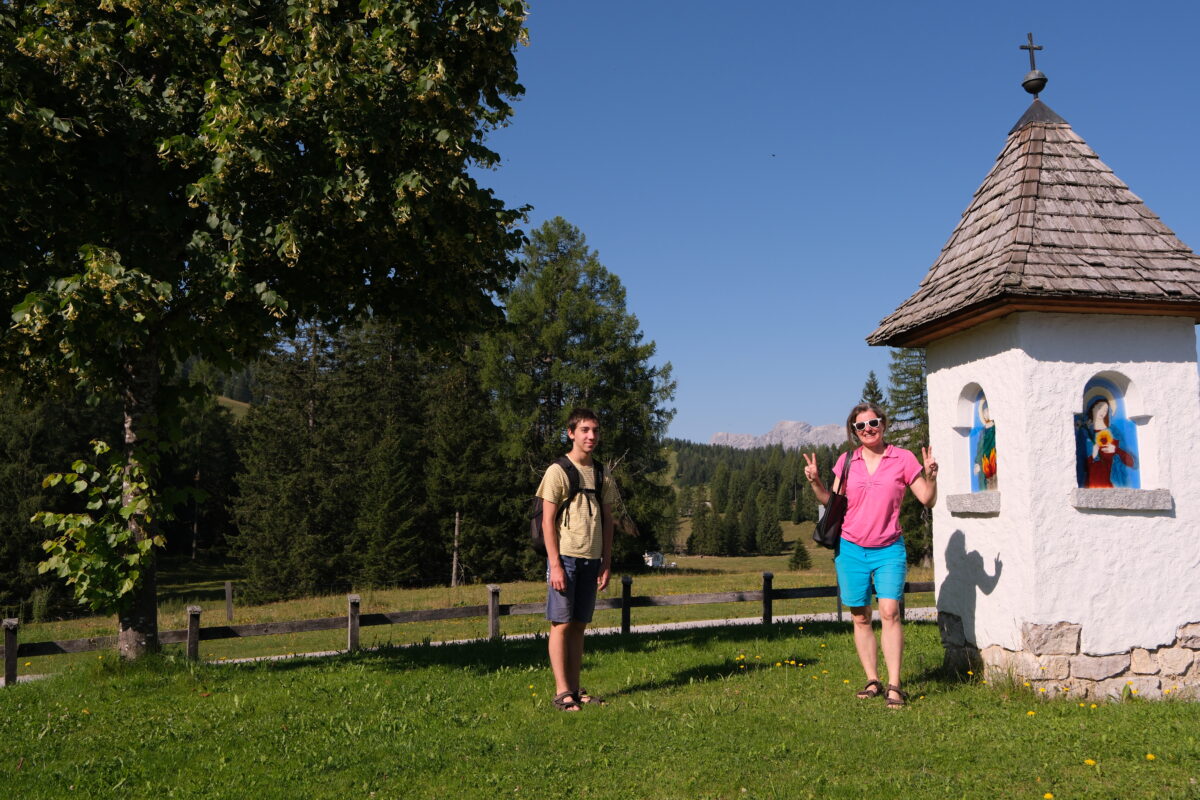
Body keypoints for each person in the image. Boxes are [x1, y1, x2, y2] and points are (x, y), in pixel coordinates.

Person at [802, 402, 937, 709]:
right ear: (854, 432)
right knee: (860, 616)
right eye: (860, 427)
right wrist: (815, 482)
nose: (867, 430)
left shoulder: (902, 458)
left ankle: (895, 685)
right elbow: (831, 502)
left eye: (872, 423)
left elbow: (927, 499)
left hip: (889, 547)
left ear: (883, 423)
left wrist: (931, 475)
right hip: (850, 548)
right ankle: (872, 680)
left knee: (890, 611)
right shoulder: (847, 460)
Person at [536, 407, 619, 711]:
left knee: (580, 624)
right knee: (561, 623)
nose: (591, 436)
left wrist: (606, 561)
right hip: (566, 558)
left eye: (595, 430)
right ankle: (562, 693)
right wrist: (554, 563)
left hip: (591, 559)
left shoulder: (601, 472)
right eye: (585, 430)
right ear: (571, 433)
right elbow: (547, 522)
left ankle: (574, 687)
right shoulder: (558, 470)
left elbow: (608, 520)